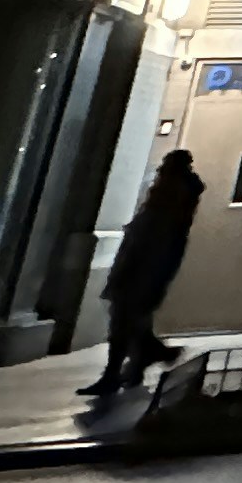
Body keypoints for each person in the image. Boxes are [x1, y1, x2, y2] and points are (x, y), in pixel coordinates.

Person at [87, 149, 203, 399]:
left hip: (142, 267)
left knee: (124, 320)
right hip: (144, 265)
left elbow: (153, 239)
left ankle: (127, 367)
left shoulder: (168, 201)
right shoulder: (173, 201)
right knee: (132, 319)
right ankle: (143, 359)